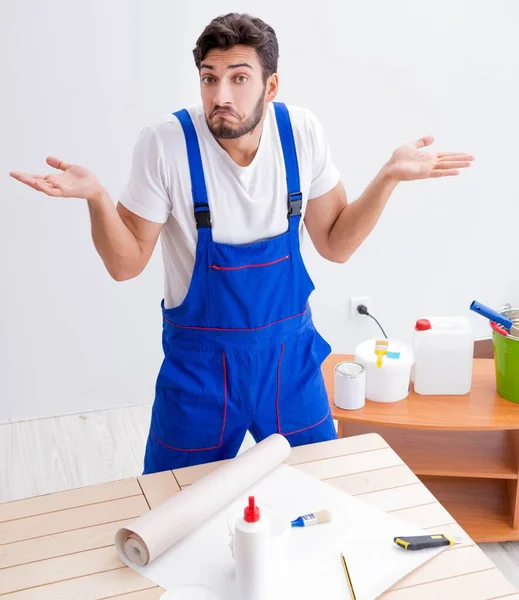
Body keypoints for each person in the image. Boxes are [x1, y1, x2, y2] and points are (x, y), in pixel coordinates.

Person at [10, 13, 474, 474]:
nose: (221, 96)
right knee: (172, 506)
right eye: (209, 79)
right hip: (200, 376)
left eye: (239, 78)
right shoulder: (166, 145)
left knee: (323, 489)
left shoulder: (300, 133)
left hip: (290, 366)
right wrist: (96, 198)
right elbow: (125, 264)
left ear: (270, 87)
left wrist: (388, 177)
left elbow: (334, 243)